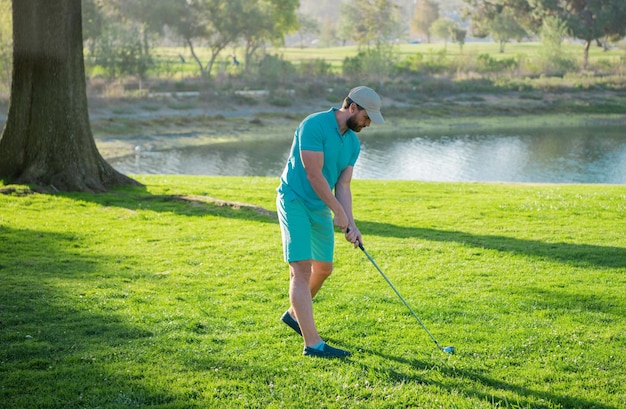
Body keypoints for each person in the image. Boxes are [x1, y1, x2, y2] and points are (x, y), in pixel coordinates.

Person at [276, 86, 384, 357]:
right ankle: (313, 345)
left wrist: (351, 222)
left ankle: (293, 314)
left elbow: (343, 184)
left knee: (323, 269)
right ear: (352, 107)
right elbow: (314, 175)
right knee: (301, 270)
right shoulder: (314, 125)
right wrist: (338, 211)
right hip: (295, 200)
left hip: (321, 206)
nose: (368, 124)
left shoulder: (353, 143)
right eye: (367, 117)